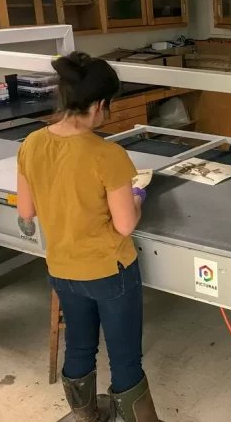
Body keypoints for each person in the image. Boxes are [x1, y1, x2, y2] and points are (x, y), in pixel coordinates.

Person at [16, 52, 161, 422]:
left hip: (62, 270)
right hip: (110, 271)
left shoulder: (31, 143)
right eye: (108, 106)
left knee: (80, 347)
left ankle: (87, 416)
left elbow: (26, 211)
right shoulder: (107, 154)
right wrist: (138, 195)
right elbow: (126, 225)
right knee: (125, 356)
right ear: (99, 105)